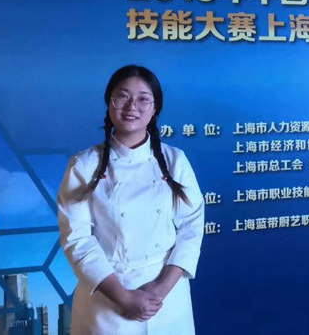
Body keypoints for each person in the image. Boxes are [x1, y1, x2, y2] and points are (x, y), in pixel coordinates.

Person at [58, 65, 204, 335]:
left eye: (143, 99)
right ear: (109, 102)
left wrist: (160, 290)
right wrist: (124, 297)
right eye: (122, 96)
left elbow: (191, 229)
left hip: (168, 300)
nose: (131, 107)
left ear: (155, 108)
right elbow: (77, 239)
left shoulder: (175, 160)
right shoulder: (84, 165)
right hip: (108, 300)